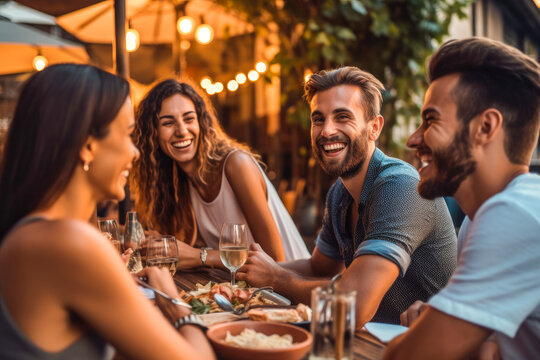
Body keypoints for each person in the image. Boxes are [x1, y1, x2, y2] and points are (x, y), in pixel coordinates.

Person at [0, 64, 214, 360]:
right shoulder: (68, 243)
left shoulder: (33, 232)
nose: (136, 151)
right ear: (87, 146)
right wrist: (171, 297)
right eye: (128, 135)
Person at [237, 66, 457, 327]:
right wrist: (249, 269)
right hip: (369, 340)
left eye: (342, 117)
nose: (327, 130)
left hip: (421, 346)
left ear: (374, 127)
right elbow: (319, 268)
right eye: (318, 119)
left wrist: (275, 277)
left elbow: (353, 306)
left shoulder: (399, 186)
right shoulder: (340, 193)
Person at [384, 37, 540, 359]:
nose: (414, 140)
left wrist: (433, 334)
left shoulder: (513, 212)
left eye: (430, 120)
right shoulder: (476, 220)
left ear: (485, 127)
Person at [130, 79, 309, 269]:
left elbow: (274, 260)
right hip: (245, 291)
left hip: (290, 290)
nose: (182, 131)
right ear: (153, 133)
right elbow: (194, 247)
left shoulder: (235, 164)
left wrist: (202, 256)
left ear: (202, 122)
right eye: (168, 123)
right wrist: (164, 244)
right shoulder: (183, 180)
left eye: (189, 118)